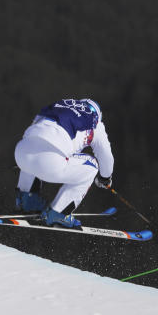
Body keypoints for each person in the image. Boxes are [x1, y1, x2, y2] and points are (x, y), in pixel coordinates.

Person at [13, 98, 115, 228]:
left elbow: (35, 131)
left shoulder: (59, 105)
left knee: (36, 146)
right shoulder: (95, 122)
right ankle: (58, 213)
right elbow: (106, 155)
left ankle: (26, 199)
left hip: (21, 152)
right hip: (49, 162)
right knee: (93, 165)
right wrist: (105, 178)